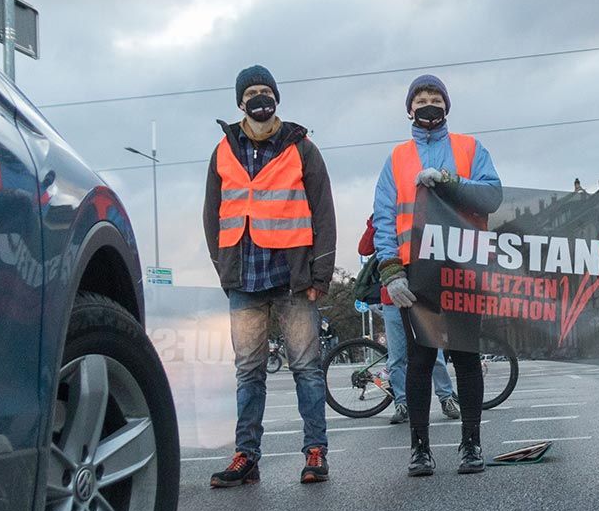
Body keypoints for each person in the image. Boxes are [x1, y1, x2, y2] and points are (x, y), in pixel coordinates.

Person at [204, 65, 338, 486]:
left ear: (276, 98)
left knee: (306, 368)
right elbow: (213, 214)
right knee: (248, 373)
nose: (259, 98)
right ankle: (246, 456)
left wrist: (321, 273)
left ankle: (315, 451)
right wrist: (223, 269)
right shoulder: (223, 150)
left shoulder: (302, 148)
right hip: (244, 279)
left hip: (293, 277)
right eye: (251, 93)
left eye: (266, 91)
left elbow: (324, 211)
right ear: (240, 102)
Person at [373, 74, 502, 475]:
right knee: (420, 359)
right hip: (415, 272)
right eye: (421, 99)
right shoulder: (395, 158)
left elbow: (492, 195)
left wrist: (451, 181)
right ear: (409, 109)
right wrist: (391, 270)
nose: (429, 104)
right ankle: (420, 449)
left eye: (436, 98)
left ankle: (471, 444)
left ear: (447, 106)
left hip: (462, 264)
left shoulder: (470, 148)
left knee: (465, 356)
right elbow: (383, 217)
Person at [355, 216, 459, 424]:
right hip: (393, 297)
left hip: (423, 294)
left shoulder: (420, 215)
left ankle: (446, 398)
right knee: (396, 357)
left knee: (434, 352)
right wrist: (372, 223)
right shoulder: (383, 221)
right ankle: (402, 404)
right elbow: (364, 249)